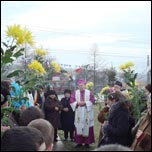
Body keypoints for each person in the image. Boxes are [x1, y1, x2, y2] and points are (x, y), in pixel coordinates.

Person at [70, 79, 95, 148]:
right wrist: (77, 103)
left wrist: (85, 103)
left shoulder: (89, 92)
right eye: (80, 86)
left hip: (87, 111)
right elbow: (71, 100)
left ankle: (87, 142)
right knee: (79, 126)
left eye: (82, 85)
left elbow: (93, 100)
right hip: (79, 111)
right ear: (78, 86)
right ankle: (79, 142)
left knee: (87, 126)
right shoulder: (75, 93)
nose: (81, 87)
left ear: (85, 86)